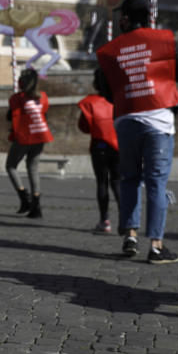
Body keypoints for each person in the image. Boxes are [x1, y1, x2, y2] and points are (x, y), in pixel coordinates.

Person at [96, 0, 178, 264]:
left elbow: (104, 88)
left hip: (126, 120)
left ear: (125, 18)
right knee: (156, 183)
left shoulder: (111, 49)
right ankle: (156, 246)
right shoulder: (165, 40)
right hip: (159, 119)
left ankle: (131, 237)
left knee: (129, 179)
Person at [5, 68, 53, 218]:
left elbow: (10, 116)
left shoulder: (17, 98)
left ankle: (24, 197)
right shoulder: (43, 97)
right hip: (41, 134)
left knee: (11, 166)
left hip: (25, 135)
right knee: (33, 169)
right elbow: (44, 112)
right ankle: (36, 204)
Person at [78, 68, 120, 234]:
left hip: (99, 147)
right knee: (118, 182)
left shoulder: (89, 102)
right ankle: (126, 221)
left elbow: (83, 126)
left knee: (102, 182)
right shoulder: (120, 100)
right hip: (119, 146)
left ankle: (105, 220)